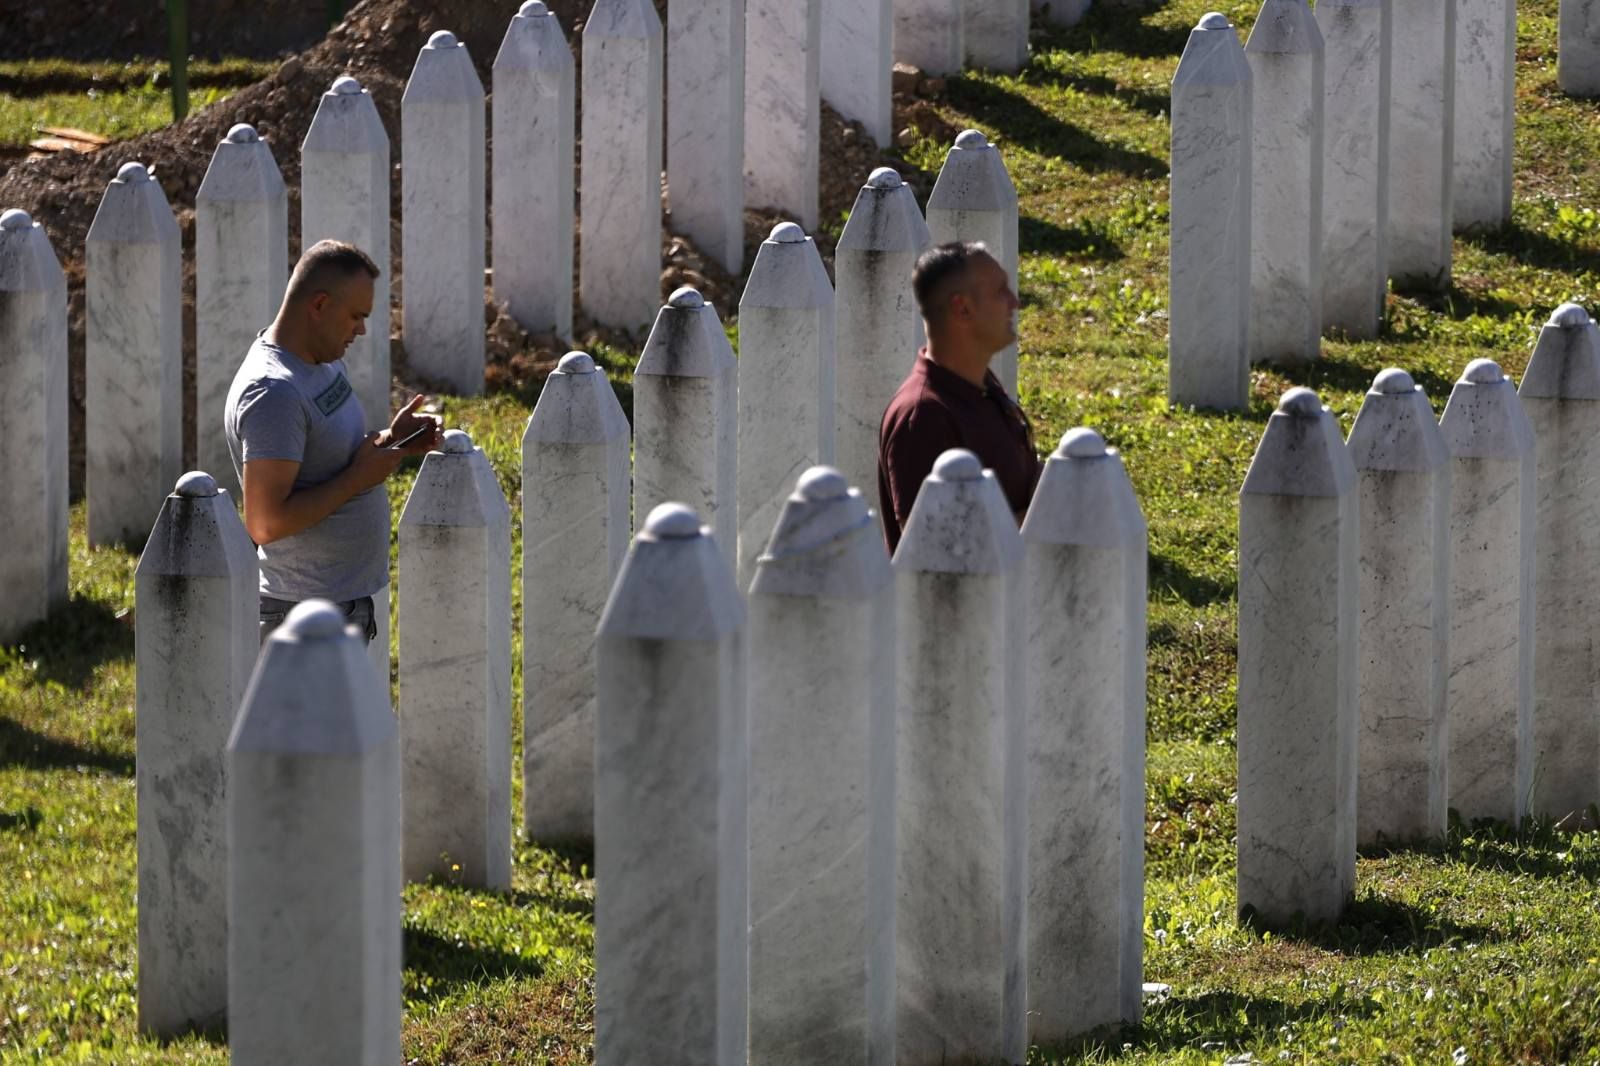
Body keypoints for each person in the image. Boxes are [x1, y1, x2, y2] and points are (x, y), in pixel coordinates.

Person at [224, 239, 442, 643]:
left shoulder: (321, 363)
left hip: (341, 603)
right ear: (319, 305)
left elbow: (329, 455)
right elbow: (265, 522)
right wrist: (357, 480)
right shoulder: (273, 393)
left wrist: (392, 440)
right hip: (304, 617)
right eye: (356, 316)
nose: (361, 330)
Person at [877, 241, 1040, 553]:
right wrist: (1043, 515)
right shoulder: (922, 416)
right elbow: (931, 551)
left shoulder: (982, 385)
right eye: (1000, 291)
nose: (1014, 302)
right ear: (962, 309)